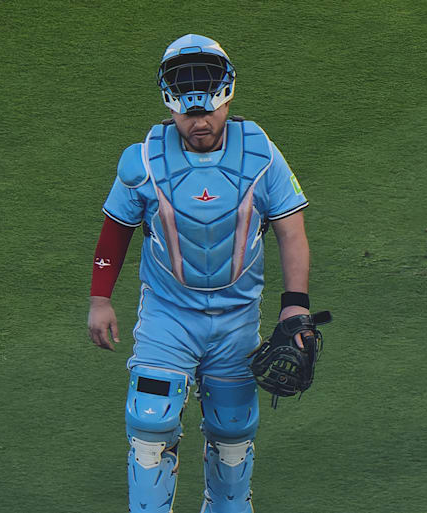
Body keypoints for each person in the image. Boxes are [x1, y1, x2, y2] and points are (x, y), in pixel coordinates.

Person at [87, 34, 313, 513]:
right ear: (171, 107)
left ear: (226, 97)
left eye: (206, 114)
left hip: (236, 320)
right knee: (150, 425)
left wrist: (296, 306)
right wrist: (100, 300)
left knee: (233, 431)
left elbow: (292, 232)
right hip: (168, 317)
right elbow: (114, 235)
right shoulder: (144, 159)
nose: (199, 123)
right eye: (189, 116)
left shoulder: (262, 155)